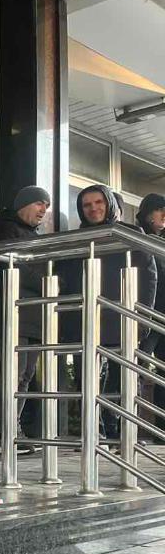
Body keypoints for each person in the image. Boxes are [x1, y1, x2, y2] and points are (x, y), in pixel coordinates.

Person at [61, 185, 158, 441]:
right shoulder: (74, 238)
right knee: (87, 381)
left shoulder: (130, 234)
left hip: (122, 320)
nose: (93, 208)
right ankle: (94, 433)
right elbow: (65, 280)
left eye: (98, 202)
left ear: (110, 204)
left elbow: (149, 278)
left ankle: (121, 434)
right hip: (85, 322)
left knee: (122, 381)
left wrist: (142, 318)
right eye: (86, 205)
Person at [0, 186, 51, 455]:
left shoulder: (34, 235)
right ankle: (6, 433)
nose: (44, 210)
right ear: (23, 203)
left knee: (25, 376)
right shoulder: (3, 228)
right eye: (40, 203)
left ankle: (14, 430)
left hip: (34, 315)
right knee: (13, 374)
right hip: (12, 313)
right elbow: (11, 265)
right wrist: (47, 281)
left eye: (47, 205)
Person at [135, 193, 165, 436]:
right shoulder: (137, 236)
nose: (164, 217)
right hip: (146, 314)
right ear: (147, 212)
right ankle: (129, 428)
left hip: (163, 317)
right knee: (137, 366)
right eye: (160, 211)